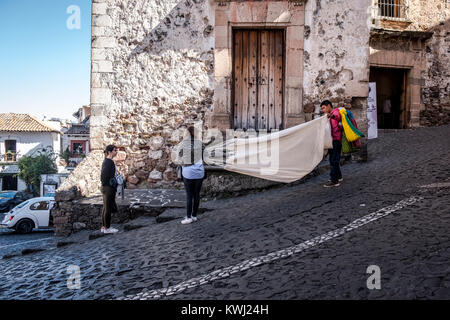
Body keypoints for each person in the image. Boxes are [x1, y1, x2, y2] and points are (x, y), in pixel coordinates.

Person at [178, 126, 205, 225]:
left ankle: (188, 217)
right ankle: (194, 216)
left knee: (189, 195)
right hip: (199, 171)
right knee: (196, 194)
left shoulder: (182, 144)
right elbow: (205, 156)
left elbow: (179, 158)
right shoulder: (201, 144)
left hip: (188, 172)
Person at [320, 100, 343, 187]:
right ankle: (339, 176)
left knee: (334, 160)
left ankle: (334, 181)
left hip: (336, 140)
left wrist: (331, 116)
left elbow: (337, 117)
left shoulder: (335, 111)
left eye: (324, 108)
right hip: (331, 140)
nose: (323, 110)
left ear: (329, 106)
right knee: (333, 159)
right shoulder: (328, 115)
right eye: (322, 109)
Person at [101, 145, 119, 233]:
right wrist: (110, 184)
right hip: (108, 187)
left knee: (105, 207)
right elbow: (104, 176)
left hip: (106, 187)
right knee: (107, 208)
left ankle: (104, 227)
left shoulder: (107, 161)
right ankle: (107, 228)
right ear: (109, 152)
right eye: (115, 150)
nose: (116, 152)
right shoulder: (109, 162)